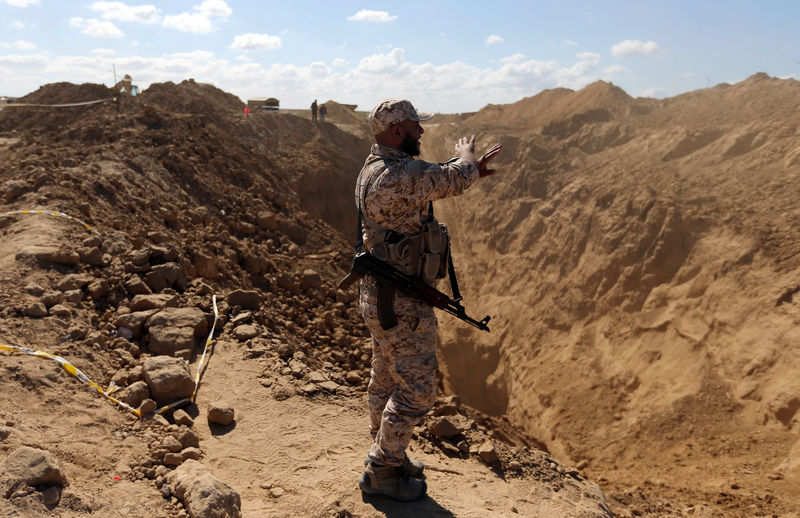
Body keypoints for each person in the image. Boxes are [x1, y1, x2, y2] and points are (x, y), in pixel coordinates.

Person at [355, 98, 502, 501]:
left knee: (385, 375)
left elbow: (434, 177)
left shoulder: (375, 168)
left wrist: (466, 171)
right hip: (400, 303)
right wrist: (466, 159)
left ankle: (384, 452)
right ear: (396, 131)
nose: (421, 132)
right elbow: (447, 178)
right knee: (418, 389)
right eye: (415, 126)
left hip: (382, 295)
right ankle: (383, 468)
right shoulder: (393, 178)